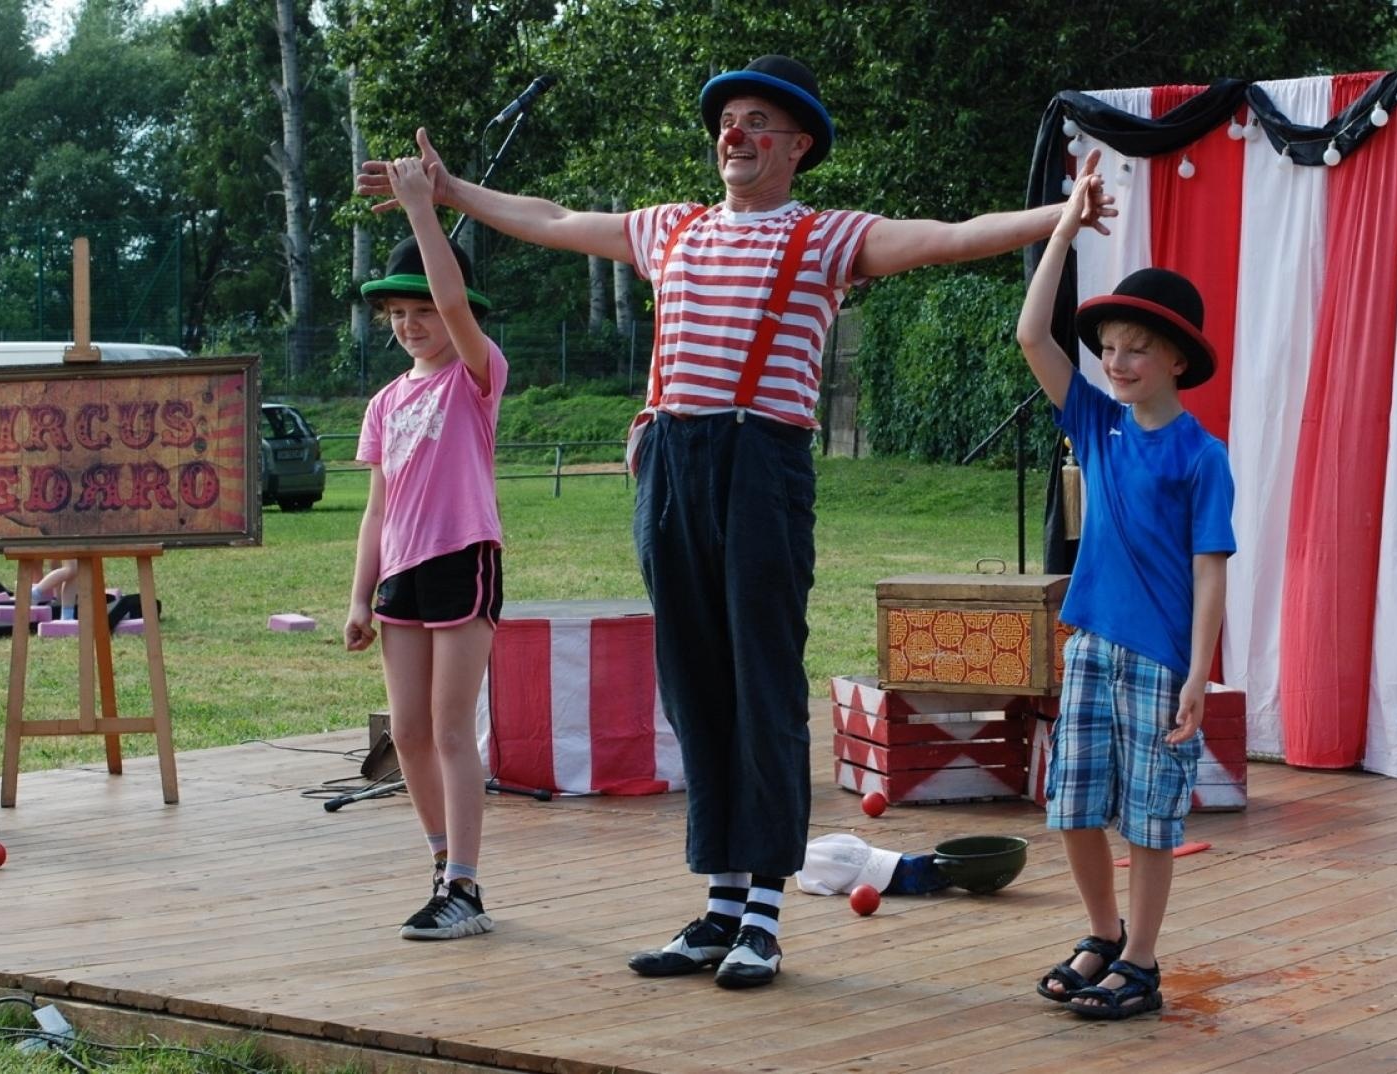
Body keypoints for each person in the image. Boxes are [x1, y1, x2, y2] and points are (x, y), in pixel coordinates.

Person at [357, 54, 1114, 987]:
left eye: (759, 122)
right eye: (728, 120)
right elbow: (552, 221)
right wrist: (452, 190)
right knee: (693, 682)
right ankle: (719, 903)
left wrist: (1062, 215)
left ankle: (764, 909)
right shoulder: (670, 229)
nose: (736, 134)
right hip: (671, 461)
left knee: (759, 678)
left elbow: (950, 236)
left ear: (796, 147)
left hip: (760, 462)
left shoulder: (825, 237)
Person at [1015, 167, 1235, 1019]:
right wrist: (1064, 230)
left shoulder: (1200, 455)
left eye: (1136, 348)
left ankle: (1140, 963)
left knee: (1150, 820)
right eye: (1108, 346)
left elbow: (1210, 566)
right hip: (1092, 643)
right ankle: (1101, 935)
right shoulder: (1095, 422)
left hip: (1158, 659)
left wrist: (1198, 673)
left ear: (1177, 359)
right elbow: (1035, 335)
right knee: (1072, 801)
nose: (1116, 361)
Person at [345, 155, 510, 941]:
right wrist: (358, 594)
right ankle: (442, 865)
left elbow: (452, 297)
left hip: (461, 561)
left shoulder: (475, 375)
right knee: (405, 732)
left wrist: (421, 209)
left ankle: (468, 888)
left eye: (424, 310)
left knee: (451, 729)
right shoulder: (385, 401)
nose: (412, 323)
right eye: (397, 314)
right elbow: (377, 508)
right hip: (401, 577)